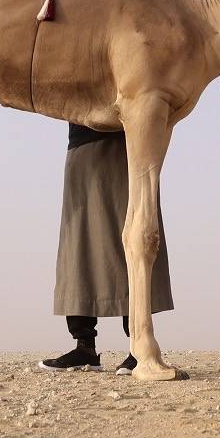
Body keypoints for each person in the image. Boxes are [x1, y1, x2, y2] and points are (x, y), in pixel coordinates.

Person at [39, 117, 174, 373]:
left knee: (134, 237)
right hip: (81, 141)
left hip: (129, 139)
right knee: (78, 244)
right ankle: (84, 347)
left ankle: (138, 345)